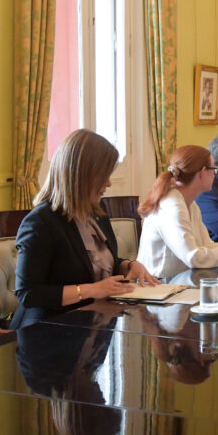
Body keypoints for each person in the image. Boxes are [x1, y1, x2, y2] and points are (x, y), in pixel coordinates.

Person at [12, 129, 160, 329]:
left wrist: (128, 265)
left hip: (93, 323)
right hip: (49, 329)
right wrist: (90, 290)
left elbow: (101, 264)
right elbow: (28, 294)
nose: (108, 183)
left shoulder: (96, 211)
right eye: (104, 176)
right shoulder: (40, 223)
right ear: (81, 176)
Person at [137, 145, 218, 280]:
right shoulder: (172, 206)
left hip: (179, 283)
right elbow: (194, 257)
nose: (215, 174)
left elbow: (206, 246)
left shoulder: (190, 204)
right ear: (203, 172)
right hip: (157, 288)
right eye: (213, 169)